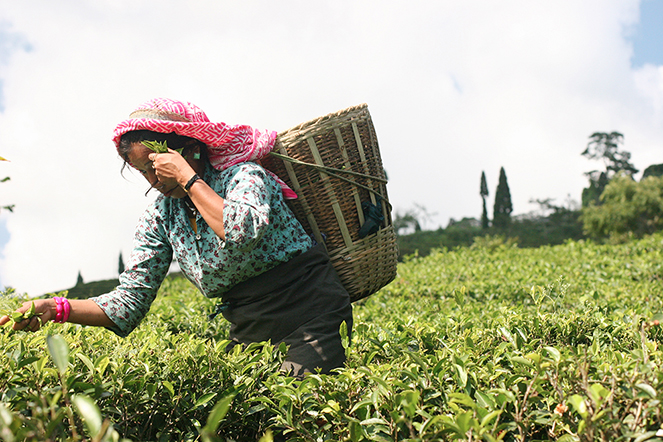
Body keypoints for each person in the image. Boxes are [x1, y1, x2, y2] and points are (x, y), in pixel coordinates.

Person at [0, 98, 353, 377]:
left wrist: (187, 177)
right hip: (250, 331)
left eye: (157, 164)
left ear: (190, 149)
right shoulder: (162, 216)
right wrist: (57, 308)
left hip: (311, 314)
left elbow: (240, 230)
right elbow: (128, 301)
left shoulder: (244, 175)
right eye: (142, 171)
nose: (153, 179)